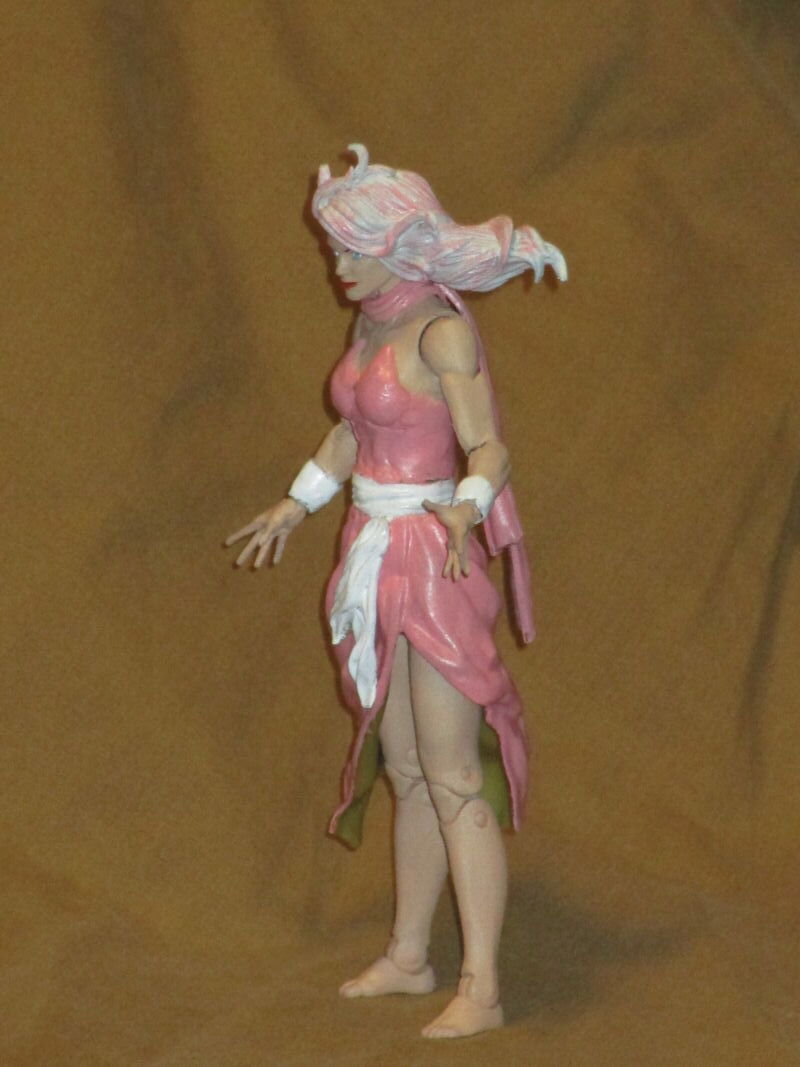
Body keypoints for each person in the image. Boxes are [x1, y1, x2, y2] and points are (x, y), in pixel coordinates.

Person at [226, 144, 566, 1039]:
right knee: (407, 764)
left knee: (452, 773)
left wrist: (466, 506)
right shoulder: (372, 324)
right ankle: (412, 953)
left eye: (351, 247)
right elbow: (352, 431)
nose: (337, 262)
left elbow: (489, 445)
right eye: (334, 246)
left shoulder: (439, 331)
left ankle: (482, 985)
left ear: (396, 244)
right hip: (373, 547)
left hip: (431, 554)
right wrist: (297, 501)